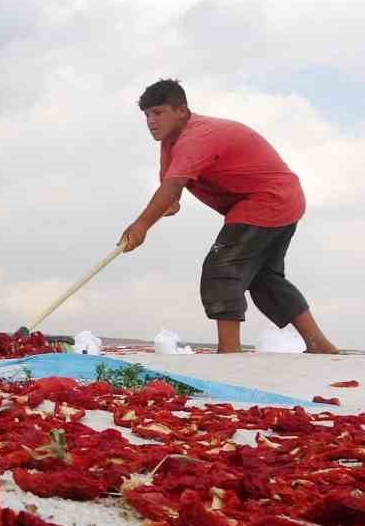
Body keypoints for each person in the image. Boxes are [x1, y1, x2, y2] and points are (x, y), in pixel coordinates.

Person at [119, 79, 338, 354]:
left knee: (221, 269)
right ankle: (318, 343)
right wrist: (159, 213)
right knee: (264, 279)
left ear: (182, 111)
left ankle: (229, 352)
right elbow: (172, 198)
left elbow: (172, 186)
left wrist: (141, 225)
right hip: (279, 199)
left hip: (268, 199)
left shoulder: (195, 138)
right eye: (147, 115)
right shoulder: (170, 144)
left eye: (159, 112)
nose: (151, 121)